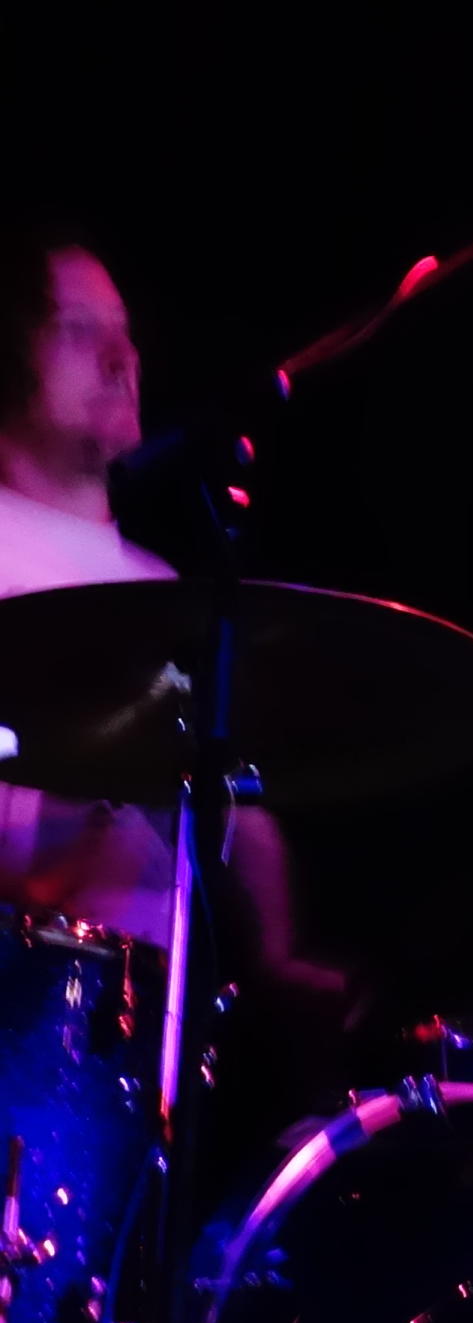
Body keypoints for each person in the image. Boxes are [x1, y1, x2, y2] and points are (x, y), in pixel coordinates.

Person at [0, 223, 336, 1007]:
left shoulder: (161, 587)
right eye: (78, 331)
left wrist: (278, 955)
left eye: (126, 334)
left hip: (129, 1034)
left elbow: (233, 793)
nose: (123, 360)